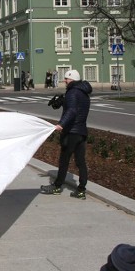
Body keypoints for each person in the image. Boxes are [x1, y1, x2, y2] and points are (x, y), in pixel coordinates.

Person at [40, 69, 92, 199]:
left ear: (72, 80)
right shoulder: (84, 93)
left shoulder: (72, 92)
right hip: (81, 131)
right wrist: (63, 101)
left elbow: (72, 110)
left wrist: (61, 124)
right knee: (80, 162)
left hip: (71, 132)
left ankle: (57, 187)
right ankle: (81, 190)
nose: (64, 81)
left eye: (67, 79)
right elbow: (77, 108)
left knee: (64, 160)